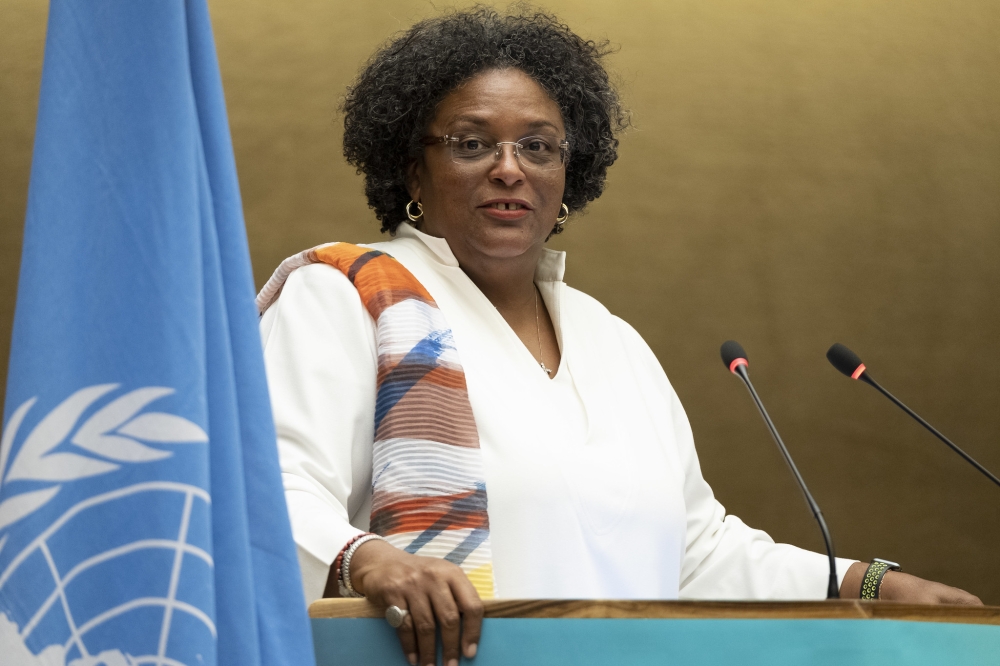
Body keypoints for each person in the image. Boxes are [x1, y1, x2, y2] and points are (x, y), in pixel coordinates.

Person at [258, 8, 981, 666]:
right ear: (412, 166)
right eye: (473, 142)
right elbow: (268, 490)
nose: (509, 167)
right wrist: (371, 560)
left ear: (569, 175)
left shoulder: (614, 342)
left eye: (538, 146)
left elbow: (696, 553)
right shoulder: (346, 297)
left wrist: (871, 583)